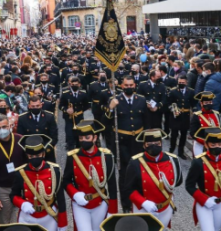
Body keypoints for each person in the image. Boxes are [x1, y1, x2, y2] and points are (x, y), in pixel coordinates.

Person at [104, 75, 150, 213]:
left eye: (131, 85)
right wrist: (111, 109)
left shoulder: (141, 100)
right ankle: (125, 205)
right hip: (122, 143)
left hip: (138, 143)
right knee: (124, 175)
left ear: (134, 85)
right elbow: (106, 122)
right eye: (126, 85)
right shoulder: (114, 100)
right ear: (121, 86)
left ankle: (140, 201)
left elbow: (147, 121)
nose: (129, 87)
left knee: (141, 172)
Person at [63, 120, 117, 231]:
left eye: (87, 137)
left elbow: (112, 185)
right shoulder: (73, 157)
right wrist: (75, 194)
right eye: (81, 138)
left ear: (95, 138)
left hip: (100, 202)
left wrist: (113, 210)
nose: (83, 141)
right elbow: (66, 180)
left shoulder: (106, 157)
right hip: (80, 204)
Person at [125, 129, 182, 230]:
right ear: (144, 145)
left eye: (157, 143)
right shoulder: (135, 162)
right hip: (143, 209)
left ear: (161, 143)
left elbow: (178, 181)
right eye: (149, 144)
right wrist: (143, 202)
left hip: (165, 208)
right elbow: (128, 189)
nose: (154, 146)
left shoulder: (172, 160)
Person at [10, 135, 68, 231]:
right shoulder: (20, 172)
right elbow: (13, 195)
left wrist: (63, 223)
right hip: (28, 217)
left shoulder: (54, 170)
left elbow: (60, 198)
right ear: (27, 156)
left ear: (43, 154)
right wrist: (23, 204)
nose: (34, 158)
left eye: (37, 155)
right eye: (31, 156)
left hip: (49, 216)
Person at [186, 127, 221, 231]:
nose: (217, 147)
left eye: (219, 144)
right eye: (213, 145)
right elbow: (189, 185)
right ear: (206, 145)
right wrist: (204, 200)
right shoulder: (198, 162)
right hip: (204, 203)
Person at [0, 114, 26, 225]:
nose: (2, 130)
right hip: (3, 190)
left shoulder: (20, 140)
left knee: (25, 218)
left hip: (22, 187)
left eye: (4, 126)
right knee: (5, 222)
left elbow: (28, 163)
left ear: (10, 126)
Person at [17, 96, 58, 162]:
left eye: (37, 106)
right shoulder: (22, 118)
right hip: (30, 154)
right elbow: (21, 137)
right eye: (33, 106)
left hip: (46, 153)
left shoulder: (49, 116)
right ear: (29, 106)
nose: (35, 108)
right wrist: (29, 152)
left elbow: (54, 137)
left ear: (41, 105)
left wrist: (45, 150)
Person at [167, 75, 196, 159]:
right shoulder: (173, 91)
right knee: (174, 134)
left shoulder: (191, 91)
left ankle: (181, 151)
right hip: (175, 116)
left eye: (183, 83)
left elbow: (193, 103)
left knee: (183, 135)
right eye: (179, 82)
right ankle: (171, 149)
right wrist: (173, 110)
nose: (181, 84)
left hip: (185, 116)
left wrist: (194, 112)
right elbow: (169, 103)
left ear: (186, 82)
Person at [59, 77, 89, 150]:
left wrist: (80, 111)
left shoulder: (83, 93)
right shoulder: (65, 93)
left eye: (76, 84)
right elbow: (60, 106)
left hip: (79, 118)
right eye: (73, 84)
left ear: (79, 85)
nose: (74, 86)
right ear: (70, 84)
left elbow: (87, 105)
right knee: (70, 136)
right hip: (69, 118)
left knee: (79, 136)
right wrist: (66, 110)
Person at [189, 92, 221, 156]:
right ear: (201, 103)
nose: (209, 104)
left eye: (210, 102)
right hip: (200, 144)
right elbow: (192, 133)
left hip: (215, 145)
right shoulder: (196, 115)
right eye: (206, 103)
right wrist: (205, 142)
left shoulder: (217, 114)